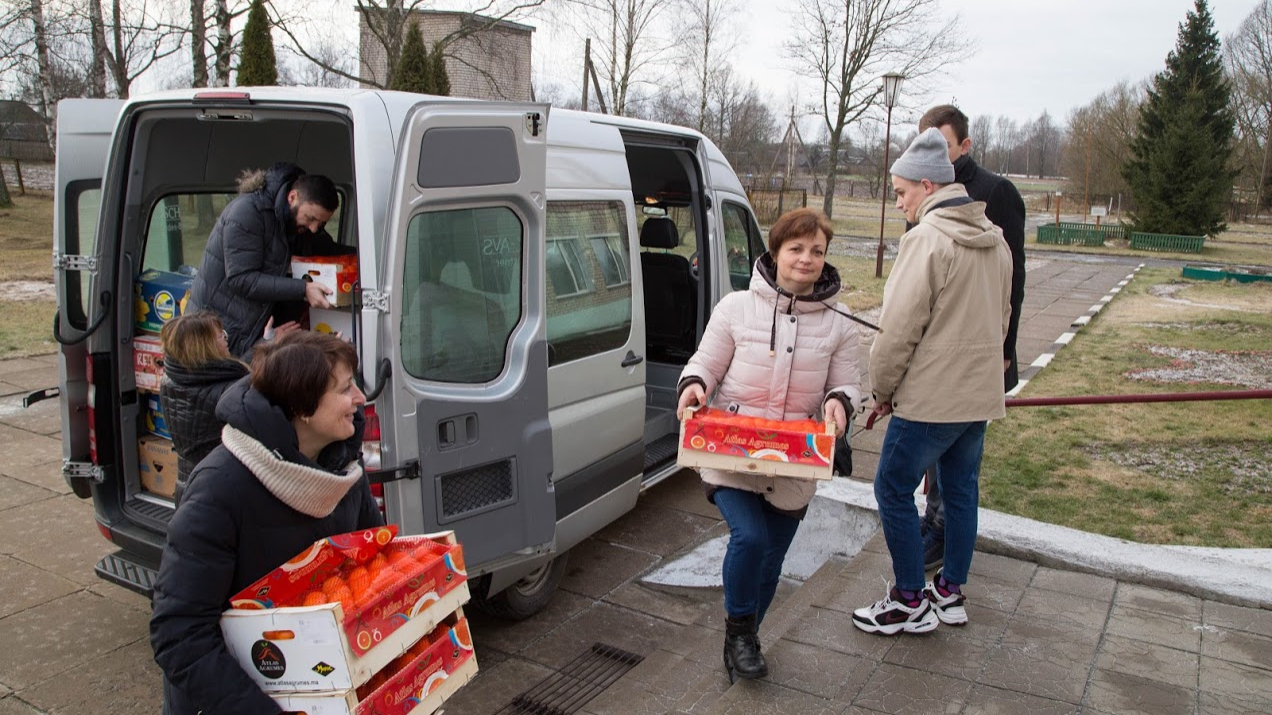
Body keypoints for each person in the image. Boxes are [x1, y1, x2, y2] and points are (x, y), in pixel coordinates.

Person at [150, 331, 381, 715]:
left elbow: (371, 562)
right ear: (303, 408)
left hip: (322, 688)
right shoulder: (219, 490)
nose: (359, 399)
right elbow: (179, 634)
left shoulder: (341, 467)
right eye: (345, 389)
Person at [675, 208, 862, 681]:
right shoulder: (736, 308)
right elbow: (705, 364)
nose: (806, 259)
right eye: (796, 249)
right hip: (732, 452)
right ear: (775, 251)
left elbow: (846, 385)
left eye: (816, 251)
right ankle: (739, 634)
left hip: (795, 463)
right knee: (750, 538)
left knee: (773, 559)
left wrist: (840, 405)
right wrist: (693, 387)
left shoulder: (841, 325)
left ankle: (747, 636)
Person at [852, 128, 1011, 636]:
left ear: (926, 185)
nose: (898, 203)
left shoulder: (926, 239)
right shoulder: (995, 238)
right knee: (961, 490)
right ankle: (949, 592)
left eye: (900, 193)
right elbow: (1002, 320)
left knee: (892, 487)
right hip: (977, 396)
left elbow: (897, 331)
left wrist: (881, 392)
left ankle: (906, 599)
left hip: (931, 399)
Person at [915, 105, 1027, 571]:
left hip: (977, 353)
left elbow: (1012, 279)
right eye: (925, 144)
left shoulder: (996, 192)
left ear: (965, 146)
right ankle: (934, 527)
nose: (932, 153)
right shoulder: (925, 190)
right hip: (934, 352)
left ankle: (943, 536)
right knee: (935, 457)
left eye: (941, 144)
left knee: (957, 466)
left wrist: (1004, 350)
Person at [188, 162, 344, 358]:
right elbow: (241, 279)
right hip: (220, 332)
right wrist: (303, 288)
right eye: (310, 218)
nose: (314, 228)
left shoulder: (301, 226)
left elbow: (329, 251)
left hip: (260, 330)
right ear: (292, 197)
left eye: (321, 224)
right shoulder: (248, 213)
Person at [157, 310, 250, 505]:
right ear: (205, 347)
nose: (226, 339)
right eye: (220, 336)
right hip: (221, 494)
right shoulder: (229, 390)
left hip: (188, 485)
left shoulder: (173, 379)